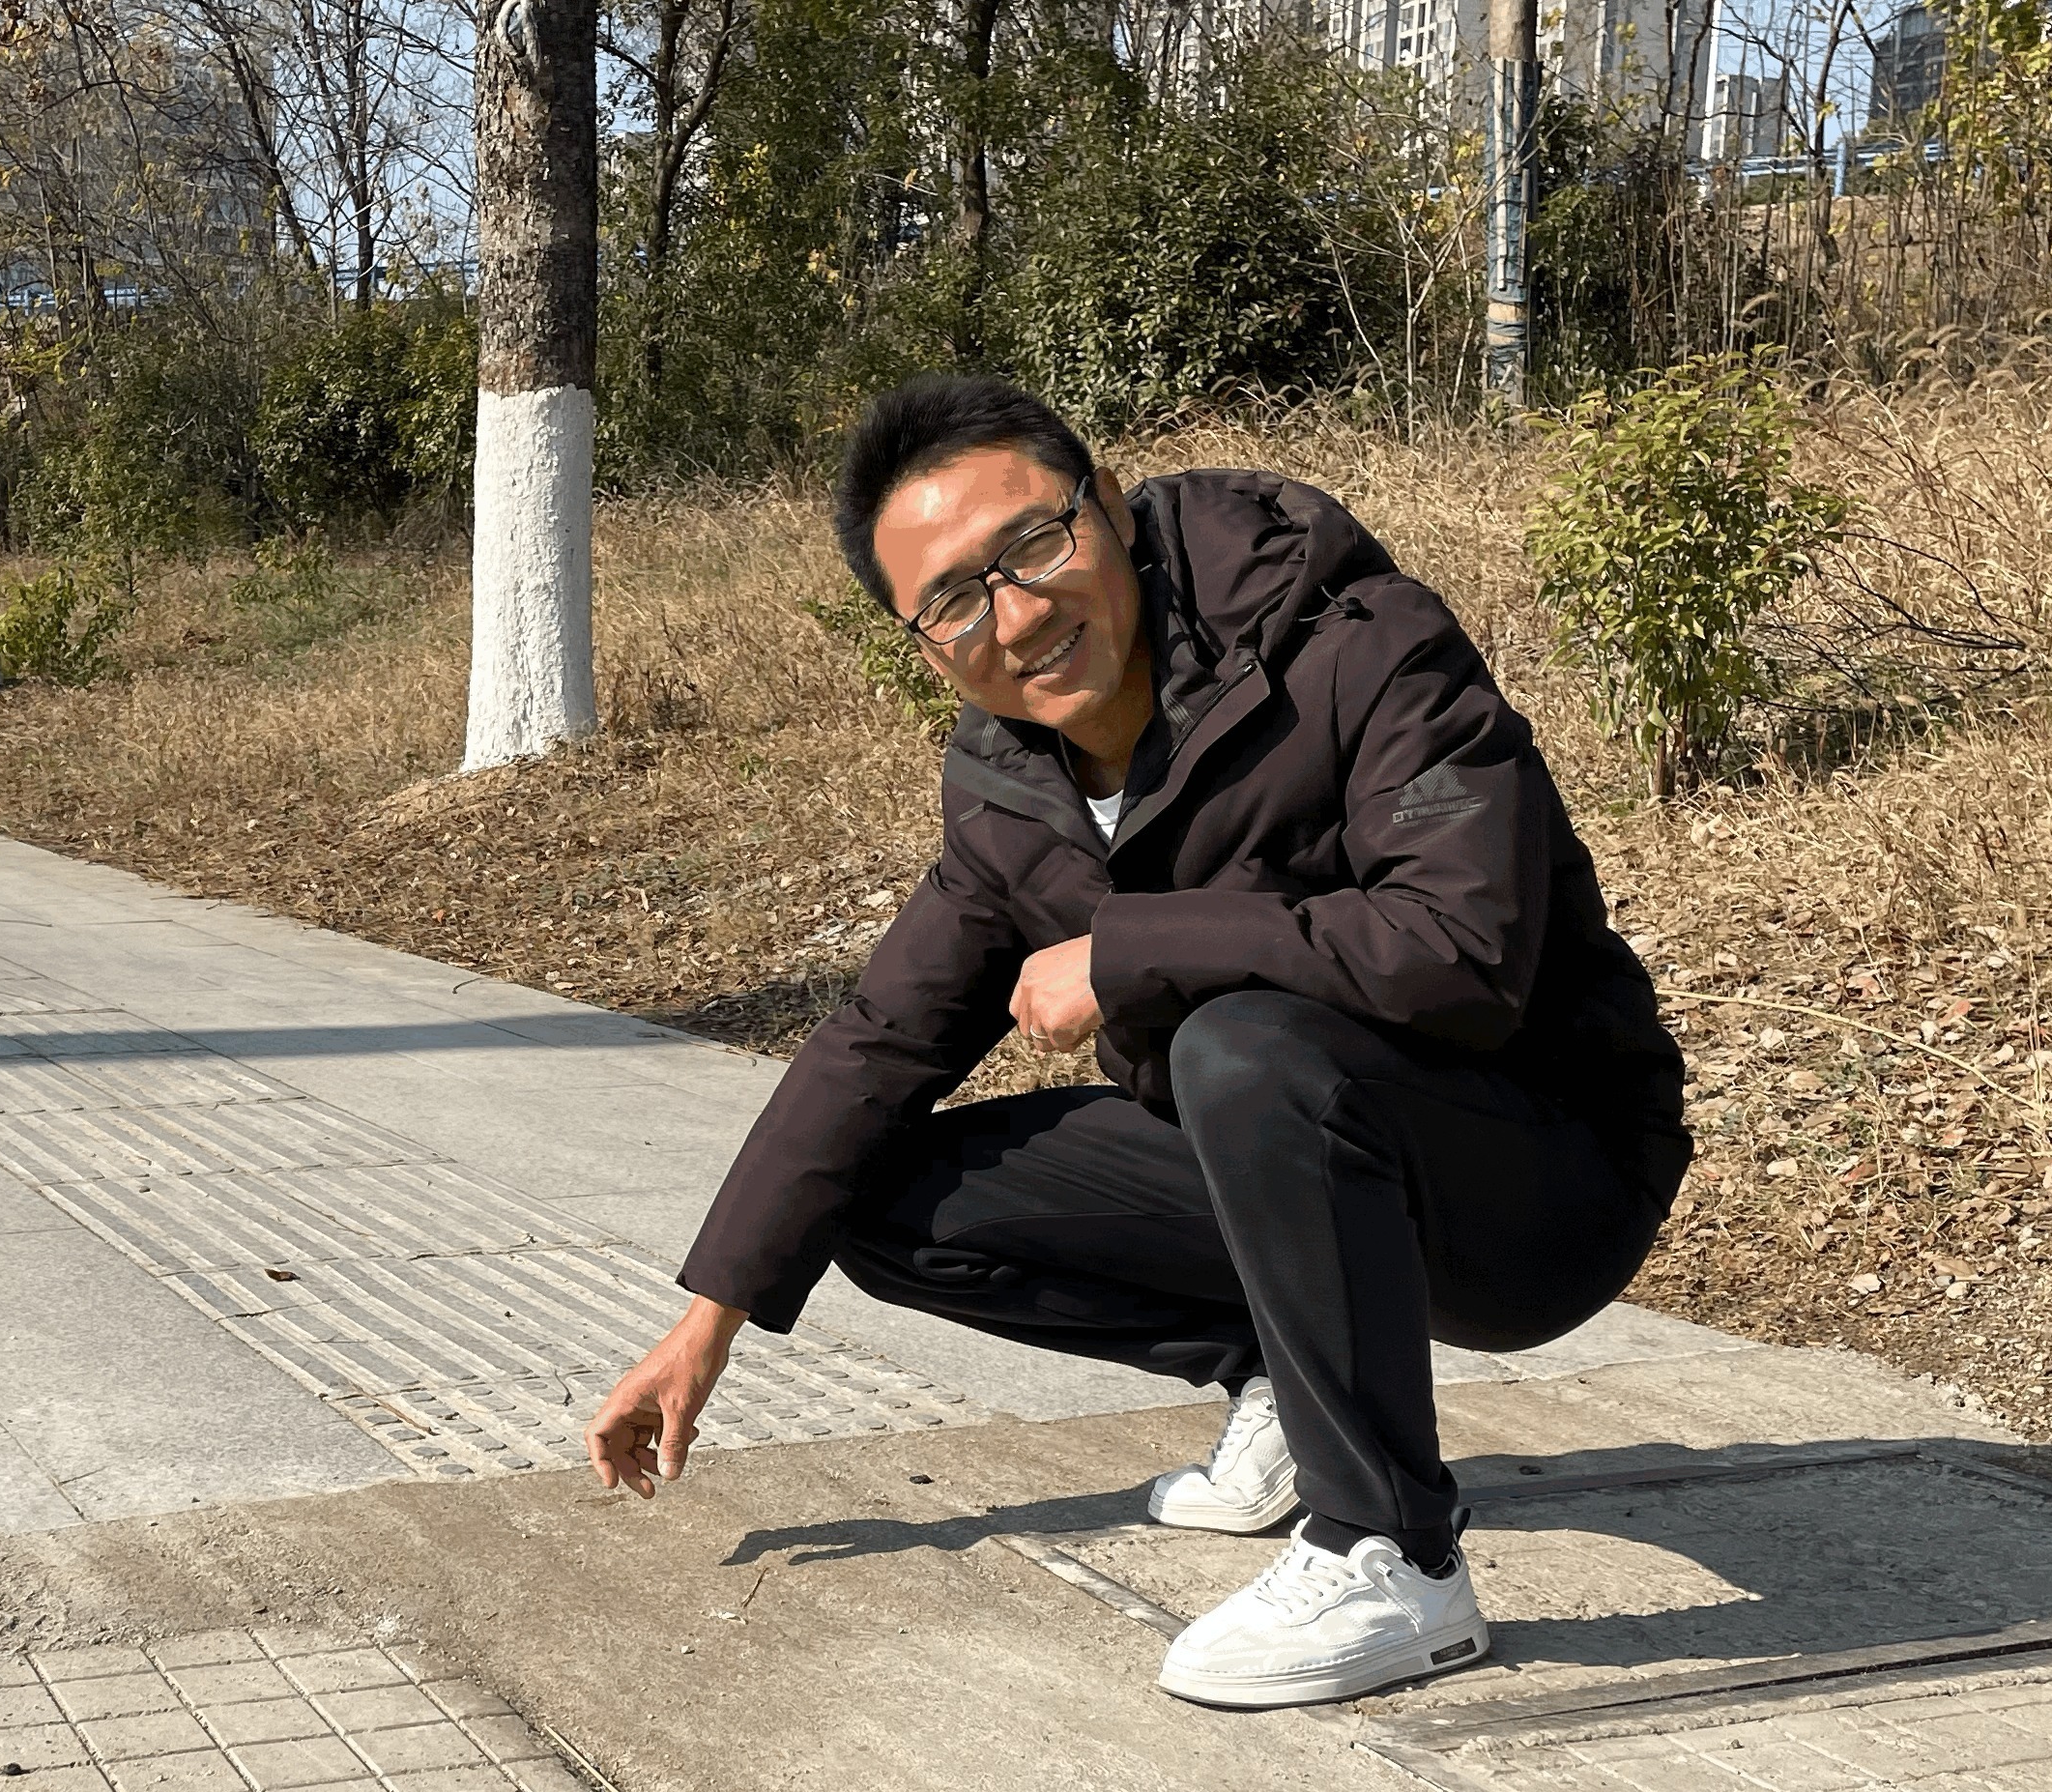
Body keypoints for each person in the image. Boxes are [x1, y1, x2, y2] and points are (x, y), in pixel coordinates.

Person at [580, 375, 1693, 1707]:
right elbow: (879, 1041)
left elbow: (1462, 950)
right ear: (921, 644)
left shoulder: (1353, 641)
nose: (1016, 615)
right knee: (876, 1200)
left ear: (1107, 506)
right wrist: (709, 1320)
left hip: (1545, 1175)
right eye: (952, 600)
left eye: (1032, 543)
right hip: (1305, 1160)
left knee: (1241, 1045)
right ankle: (1285, 1387)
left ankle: (1394, 1552)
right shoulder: (1010, 790)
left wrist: (1127, 950)